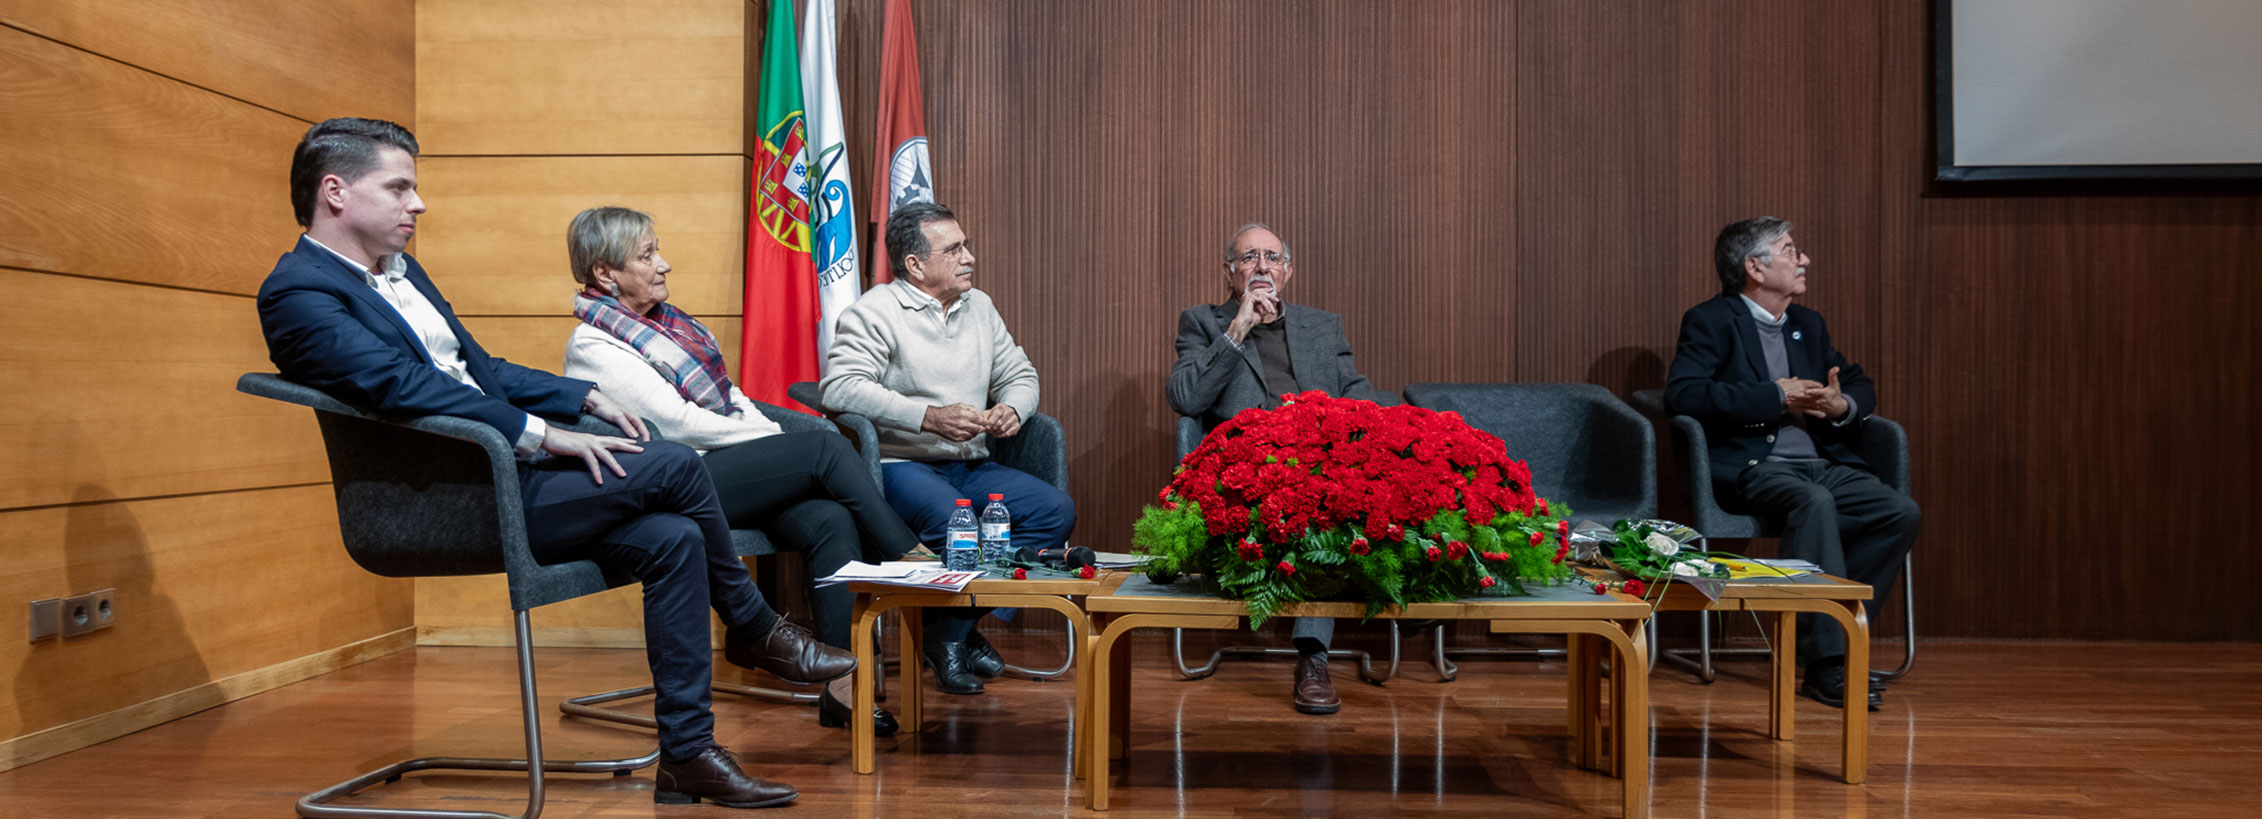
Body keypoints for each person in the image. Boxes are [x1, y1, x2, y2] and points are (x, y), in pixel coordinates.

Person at [257, 118, 851, 808]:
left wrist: (582, 395)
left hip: (510, 480)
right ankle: (756, 627)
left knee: (675, 537)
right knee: (676, 466)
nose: (416, 203)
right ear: (335, 192)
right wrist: (544, 433)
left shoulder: (402, 270)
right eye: (399, 187)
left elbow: (481, 370)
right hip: (449, 501)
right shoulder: (298, 293)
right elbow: (401, 386)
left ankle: (688, 755)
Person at [558, 206, 922, 736]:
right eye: (647, 255)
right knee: (822, 449)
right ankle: (910, 558)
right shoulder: (593, 345)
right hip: (672, 483)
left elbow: (732, 400)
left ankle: (845, 693)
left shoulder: (673, 327)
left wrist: (773, 443)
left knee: (828, 519)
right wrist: (783, 448)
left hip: (724, 470)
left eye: (658, 250)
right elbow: (683, 424)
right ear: (604, 274)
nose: (665, 264)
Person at [818, 201, 1076, 696]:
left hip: (972, 466)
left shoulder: (978, 307)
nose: (969, 258)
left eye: (966, 245)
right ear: (915, 265)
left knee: (1053, 511)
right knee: (957, 530)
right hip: (901, 465)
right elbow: (841, 388)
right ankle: (953, 638)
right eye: (954, 249)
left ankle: (948, 632)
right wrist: (928, 417)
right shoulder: (876, 311)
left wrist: (1014, 410)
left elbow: (1020, 375)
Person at [1664, 216, 1921, 711]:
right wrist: (1771, 397)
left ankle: (1838, 636)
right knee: (1813, 502)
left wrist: (1841, 406)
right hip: (1753, 465)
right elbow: (1684, 394)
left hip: (1822, 460)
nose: (1804, 260)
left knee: (1898, 511)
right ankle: (1827, 666)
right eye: (1790, 250)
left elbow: (1857, 382)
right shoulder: (1711, 320)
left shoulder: (1808, 325)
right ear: (1754, 268)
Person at [1165, 222, 1400, 716]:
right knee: (1313, 502)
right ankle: (1316, 657)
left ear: (1288, 271)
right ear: (1229, 271)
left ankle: (1313, 655)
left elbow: (1355, 388)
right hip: (1247, 459)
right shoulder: (1205, 322)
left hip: (1319, 454)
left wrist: (1384, 425)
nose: (1262, 267)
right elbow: (1186, 397)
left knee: (1337, 498)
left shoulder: (1323, 325)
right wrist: (1239, 329)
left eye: (1272, 258)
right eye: (1249, 258)